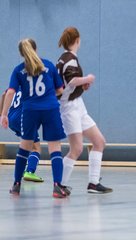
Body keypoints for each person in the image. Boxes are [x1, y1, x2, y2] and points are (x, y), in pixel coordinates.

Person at [1, 38, 68, 198]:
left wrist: (4, 114)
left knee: (25, 147)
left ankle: (17, 185)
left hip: (30, 110)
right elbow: (60, 90)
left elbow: (9, 92)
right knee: (55, 148)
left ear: (22, 54)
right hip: (50, 109)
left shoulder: (18, 70)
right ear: (36, 49)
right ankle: (57, 186)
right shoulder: (49, 65)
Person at [57, 26, 112, 194]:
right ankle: (60, 185)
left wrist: (83, 85)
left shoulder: (66, 58)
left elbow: (69, 83)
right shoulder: (69, 59)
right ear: (78, 40)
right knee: (77, 149)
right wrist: (87, 78)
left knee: (99, 141)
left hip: (78, 105)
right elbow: (72, 81)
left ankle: (93, 183)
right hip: (69, 108)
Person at [1, 90, 43, 182]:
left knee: (27, 146)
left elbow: (4, 94)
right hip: (24, 118)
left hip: (11, 119)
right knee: (36, 148)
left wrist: (2, 114)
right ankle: (30, 172)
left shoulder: (17, 83)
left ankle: (22, 171)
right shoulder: (34, 84)